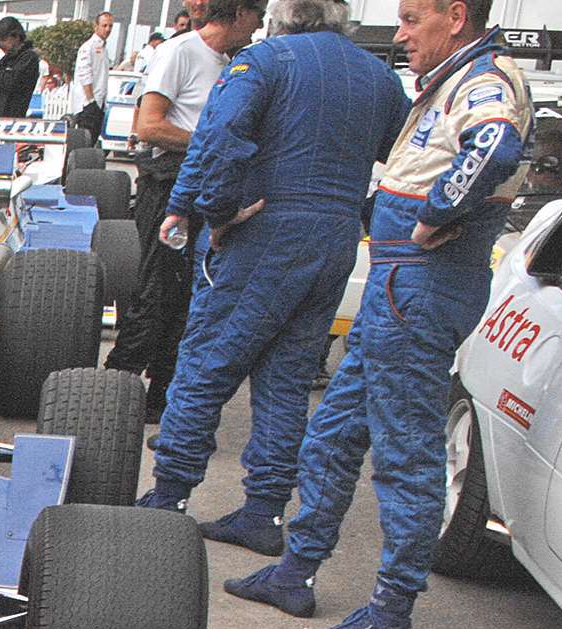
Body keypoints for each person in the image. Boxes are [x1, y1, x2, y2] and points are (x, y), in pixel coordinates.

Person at [223, 0, 529, 629]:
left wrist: (439, 211)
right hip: (402, 285)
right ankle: (296, 571)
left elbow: (495, 144)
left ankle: (391, 613)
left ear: (455, 15)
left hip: (421, 287)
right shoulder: (456, 78)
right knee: (333, 433)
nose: (401, 34)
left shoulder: (485, 80)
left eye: (412, 19)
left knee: (406, 457)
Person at [135, 0, 406, 549]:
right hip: (334, 238)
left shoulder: (265, 61)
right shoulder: (380, 78)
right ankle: (264, 510)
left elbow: (217, 136)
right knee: (287, 380)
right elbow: (406, 157)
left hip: (264, 230)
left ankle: (170, 495)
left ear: (284, 17)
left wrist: (211, 210)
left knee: (206, 363)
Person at [104, 0, 264, 418]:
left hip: (207, 185)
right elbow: (149, 125)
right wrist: (214, 142)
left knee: (188, 298)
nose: (261, 23)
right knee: (156, 290)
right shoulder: (180, 51)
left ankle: (162, 395)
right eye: (258, 13)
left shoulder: (232, 63)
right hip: (169, 184)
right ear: (240, 13)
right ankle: (114, 388)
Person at [0, 16, 41, 117]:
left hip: (8, 116)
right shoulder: (7, 59)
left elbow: (8, 83)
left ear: (16, 37)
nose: (1, 44)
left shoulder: (29, 58)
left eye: (4, 39)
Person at [70, 8, 113, 133]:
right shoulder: (88, 47)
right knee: (85, 139)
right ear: (96, 26)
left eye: (110, 26)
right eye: (104, 25)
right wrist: (91, 101)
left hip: (99, 104)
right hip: (87, 105)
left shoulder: (104, 49)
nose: (108, 29)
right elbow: (85, 75)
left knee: (93, 139)